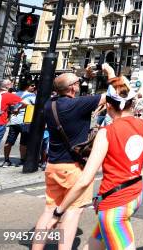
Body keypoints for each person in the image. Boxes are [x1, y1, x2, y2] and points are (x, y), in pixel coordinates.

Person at [45, 74, 143, 250]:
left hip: (114, 205)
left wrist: (58, 211)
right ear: (132, 103)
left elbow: (85, 180)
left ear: (108, 106)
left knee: (109, 229)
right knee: (95, 244)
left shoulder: (106, 132)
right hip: (135, 196)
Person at [32, 64, 116, 250]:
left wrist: (84, 78)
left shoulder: (50, 104)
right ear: (72, 88)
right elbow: (113, 96)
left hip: (53, 165)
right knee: (73, 211)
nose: (80, 84)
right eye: (77, 82)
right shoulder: (78, 105)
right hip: (73, 169)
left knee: (49, 210)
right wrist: (109, 73)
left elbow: (70, 92)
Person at [3, 81, 36, 166]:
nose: (34, 87)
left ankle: (6, 160)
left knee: (9, 141)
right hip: (25, 121)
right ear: (27, 86)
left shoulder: (15, 94)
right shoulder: (32, 95)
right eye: (32, 85)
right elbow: (35, 105)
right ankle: (22, 160)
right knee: (24, 142)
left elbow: (9, 106)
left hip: (14, 121)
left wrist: (13, 110)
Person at [0, 79, 27, 165]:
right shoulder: (9, 96)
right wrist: (17, 109)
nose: (12, 84)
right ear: (7, 86)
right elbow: (25, 103)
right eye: (11, 83)